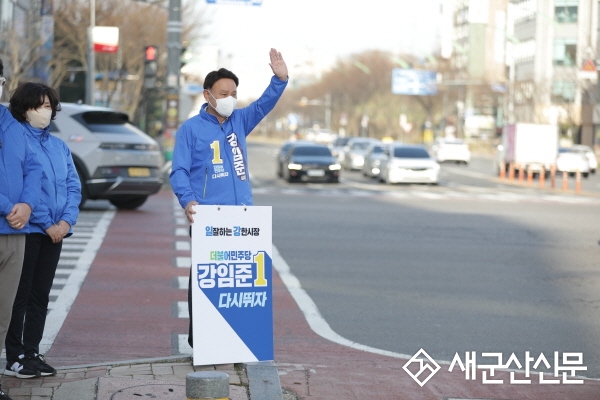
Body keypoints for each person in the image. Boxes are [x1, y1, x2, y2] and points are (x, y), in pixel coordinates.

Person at [170, 48, 288, 347]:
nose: (230, 98)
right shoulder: (191, 129)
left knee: (239, 280)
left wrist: (280, 79)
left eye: (234, 93)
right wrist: (188, 200)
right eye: (224, 93)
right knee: (207, 280)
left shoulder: (240, 121)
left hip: (243, 217)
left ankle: (235, 340)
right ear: (208, 95)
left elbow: (264, 104)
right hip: (209, 216)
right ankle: (202, 342)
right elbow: (179, 170)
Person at [4, 83, 81, 380]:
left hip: (55, 231)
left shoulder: (58, 146)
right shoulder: (15, 140)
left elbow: (73, 186)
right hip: (29, 230)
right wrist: (48, 222)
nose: (46, 111)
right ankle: (15, 356)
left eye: (49, 106)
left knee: (40, 296)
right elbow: (26, 187)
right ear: (24, 109)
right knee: (18, 297)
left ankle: (32, 352)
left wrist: (66, 222)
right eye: (40, 106)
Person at [0, 61, 43, 400]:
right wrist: (7, 206)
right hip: (8, 218)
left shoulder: (12, 124)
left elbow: (33, 168)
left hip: (16, 231)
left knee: (3, 314)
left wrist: (27, 205)